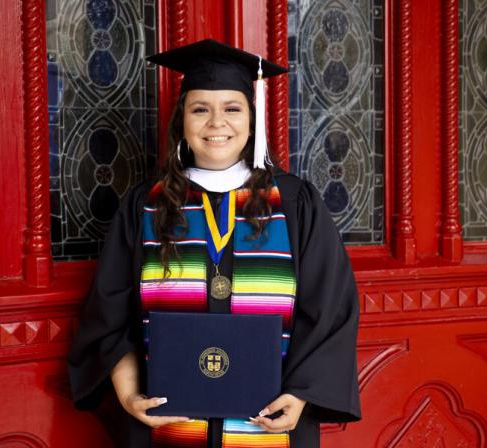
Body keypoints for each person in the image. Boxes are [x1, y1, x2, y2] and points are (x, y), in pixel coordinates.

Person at [67, 39, 361, 448]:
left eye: (232, 108)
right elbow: (109, 314)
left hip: (269, 427)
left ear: (252, 118)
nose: (216, 123)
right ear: (181, 121)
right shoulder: (146, 205)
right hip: (166, 428)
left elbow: (329, 311)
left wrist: (300, 396)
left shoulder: (294, 203)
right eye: (200, 109)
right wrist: (130, 395)